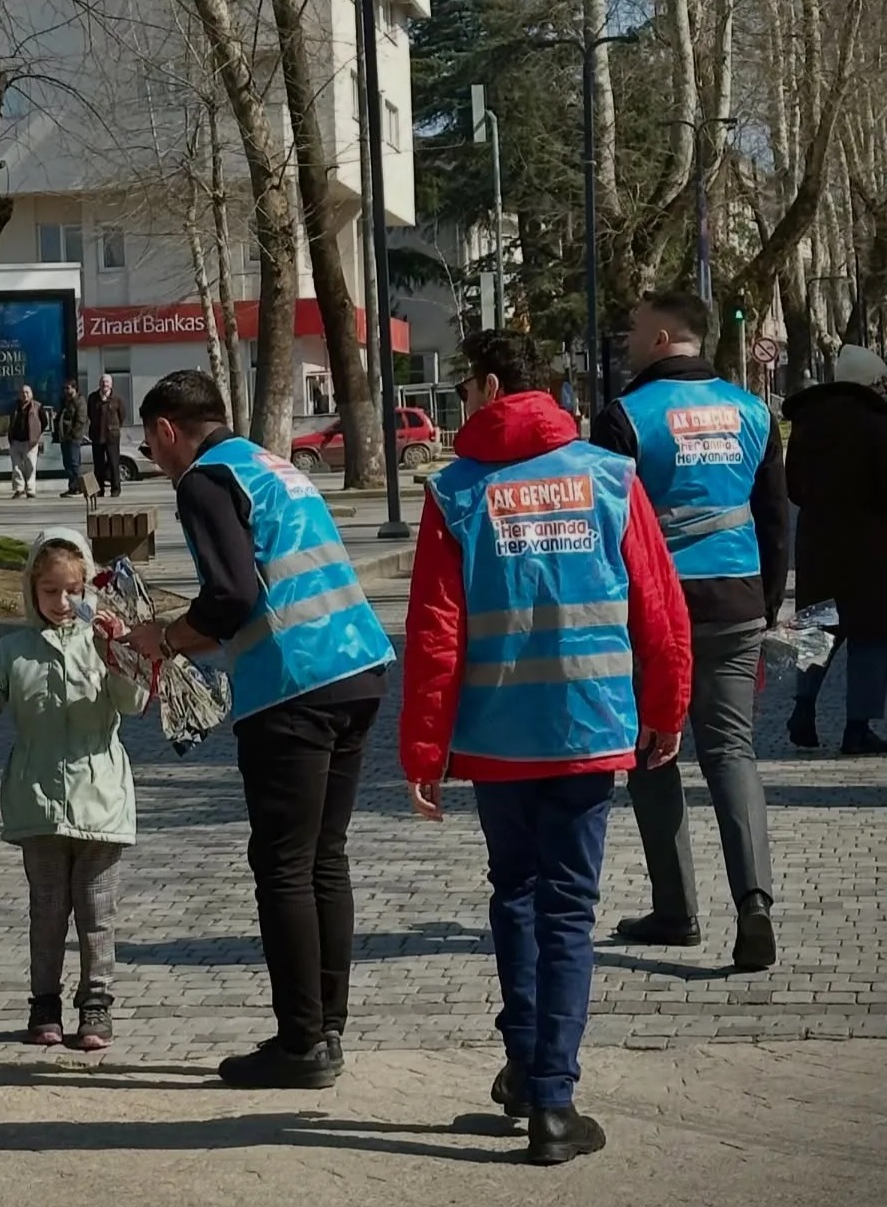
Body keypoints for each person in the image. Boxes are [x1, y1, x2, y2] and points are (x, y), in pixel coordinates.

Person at [402, 331, 693, 1166]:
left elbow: (435, 632)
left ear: (493, 386)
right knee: (568, 910)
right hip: (588, 727)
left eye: (466, 385)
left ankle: (528, 1070)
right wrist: (665, 707)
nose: (462, 400)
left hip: (497, 736)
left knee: (516, 894)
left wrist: (424, 750)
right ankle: (554, 1103)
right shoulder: (610, 476)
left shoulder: (456, 491)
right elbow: (659, 606)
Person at [122, 369, 395, 1089]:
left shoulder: (205, 480)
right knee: (323, 857)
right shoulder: (270, 466)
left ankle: (301, 1042)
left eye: (151, 445)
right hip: (358, 665)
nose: (156, 459)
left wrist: (165, 639)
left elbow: (233, 596)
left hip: (293, 683)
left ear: (167, 430)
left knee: (284, 865)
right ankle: (326, 1027)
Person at [592, 290, 789, 970]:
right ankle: (754, 902)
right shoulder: (753, 411)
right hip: (736, 598)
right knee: (732, 751)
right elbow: (774, 517)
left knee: (653, 751)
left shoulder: (625, 416)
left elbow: (606, 525)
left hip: (654, 609)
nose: (629, 339)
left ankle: (676, 910)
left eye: (637, 328)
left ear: (663, 337)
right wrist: (766, 604)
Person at [0, 529, 149, 1050]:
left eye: (73, 590)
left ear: (89, 588)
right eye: (50, 591)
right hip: (38, 804)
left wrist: (118, 653)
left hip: (102, 801)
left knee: (97, 912)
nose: (62, 602)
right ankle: (44, 1002)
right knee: (47, 910)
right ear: (32, 589)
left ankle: (96, 1002)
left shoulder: (103, 642)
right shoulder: (13, 650)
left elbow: (133, 702)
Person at [782, 344, 887, 754]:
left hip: (816, 544)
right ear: (870, 383)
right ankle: (857, 728)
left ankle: (802, 707)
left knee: (818, 628)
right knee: (870, 638)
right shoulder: (876, 424)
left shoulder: (807, 422)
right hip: (869, 548)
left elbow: (793, 488)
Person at [88, 373, 126, 497]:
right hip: (97, 435)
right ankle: (99, 490)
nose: (105, 384)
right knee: (98, 464)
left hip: (112, 436)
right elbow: (90, 414)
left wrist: (115, 427)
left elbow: (122, 415)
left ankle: (115, 489)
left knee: (114, 463)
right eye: (103, 382)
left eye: (107, 382)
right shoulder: (93, 398)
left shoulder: (117, 399)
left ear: (111, 384)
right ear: (99, 384)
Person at [8, 384, 46, 499]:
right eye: (22, 392)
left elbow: (44, 422)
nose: (25, 395)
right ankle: (19, 489)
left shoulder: (38, 406)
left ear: (31, 394)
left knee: (31, 466)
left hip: (30, 442)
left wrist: (36, 435)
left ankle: (30, 490)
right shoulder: (14, 407)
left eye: (27, 392)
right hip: (16, 441)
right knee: (16, 467)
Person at [56, 381, 89, 497]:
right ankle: (72, 487)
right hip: (64, 437)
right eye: (64, 388)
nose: (65, 391)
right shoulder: (65, 401)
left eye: (67, 388)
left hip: (73, 438)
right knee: (67, 464)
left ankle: (79, 488)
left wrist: (73, 434)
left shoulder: (79, 402)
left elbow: (81, 420)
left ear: (74, 388)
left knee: (74, 463)